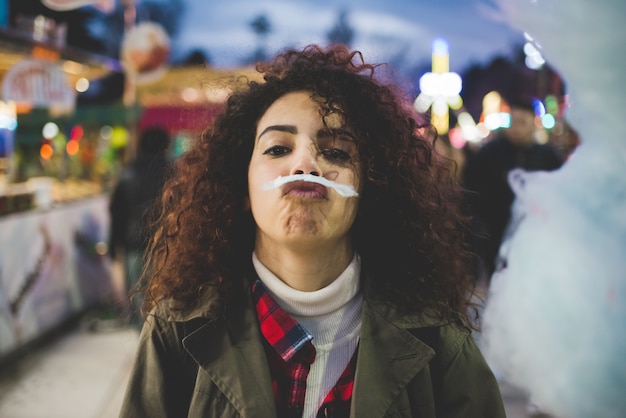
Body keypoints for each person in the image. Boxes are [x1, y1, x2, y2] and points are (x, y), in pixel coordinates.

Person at [119, 44, 506, 417]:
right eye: (277, 149)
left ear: (371, 187)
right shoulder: (175, 332)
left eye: (336, 151)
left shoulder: (440, 343)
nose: (305, 163)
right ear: (242, 188)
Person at [462, 98, 564, 286]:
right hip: (496, 230)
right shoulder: (490, 153)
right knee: (498, 280)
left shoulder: (548, 156)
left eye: (522, 122)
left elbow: (560, 191)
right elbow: (471, 184)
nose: (516, 128)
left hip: (534, 231)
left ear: (533, 123)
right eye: (512, 122)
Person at [108, 125, 171, 329]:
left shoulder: (127, 174)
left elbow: (117, 213)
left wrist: (113, 247)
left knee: (138, 300)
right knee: (166, 299)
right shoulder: (175, 172)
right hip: (167, 246)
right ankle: (164, 346)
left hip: (135, 245)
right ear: (166, 146)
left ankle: (143, 348)